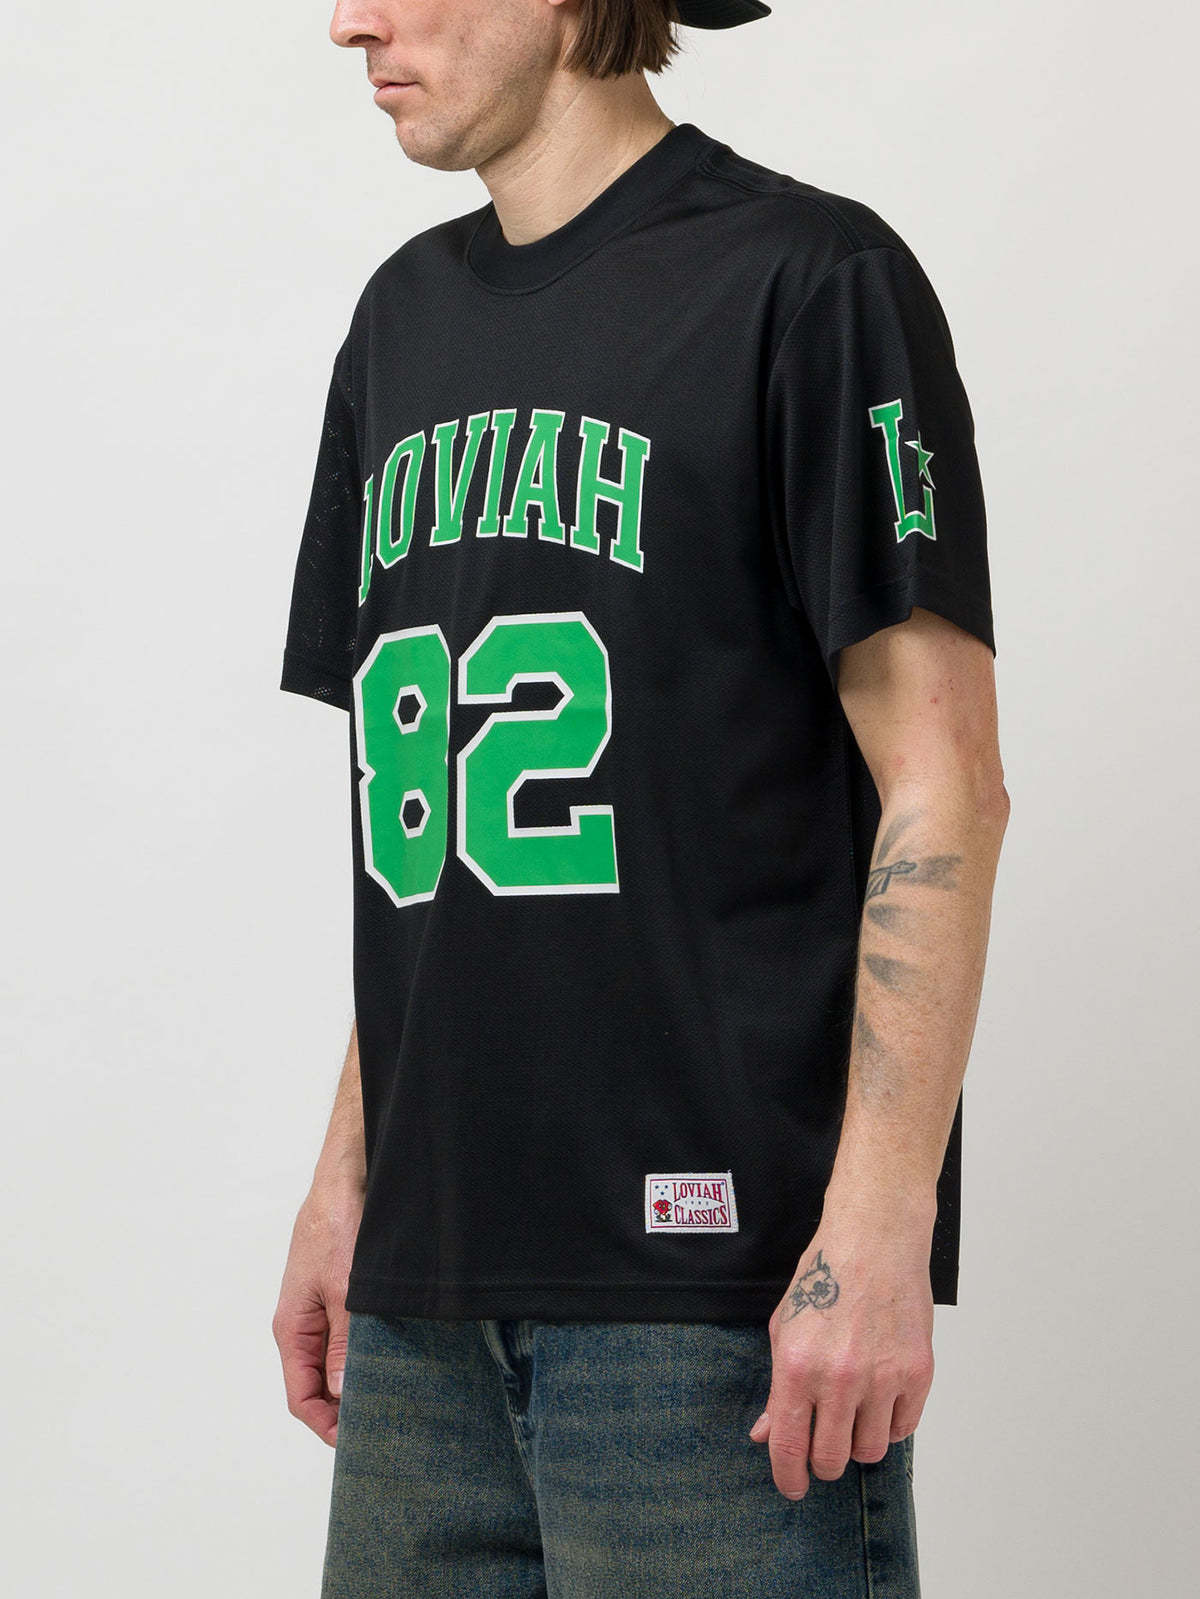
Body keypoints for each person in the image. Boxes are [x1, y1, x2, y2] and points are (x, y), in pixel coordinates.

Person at [272, 1, 1009, 1594]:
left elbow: (945, 785)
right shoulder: (397, 324)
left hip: (713, 1311)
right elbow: (436, 836)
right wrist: (349, 1183)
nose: (348, 22)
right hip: (425, 1305)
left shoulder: (810, 281)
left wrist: (879, 1231)